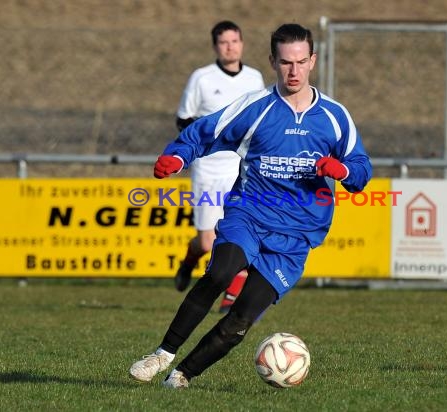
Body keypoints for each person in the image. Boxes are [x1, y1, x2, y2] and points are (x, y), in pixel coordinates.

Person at [129, 23, 372, 389]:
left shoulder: (335, 116)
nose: (294, 71)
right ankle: (162, 354)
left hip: (296, 236)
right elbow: (202, 133)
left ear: (313, 61)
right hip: (250, 215)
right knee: (221, 272)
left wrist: (342, 169)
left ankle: (181, 377)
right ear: (272, 60)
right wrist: (177, 157)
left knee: (241, 318)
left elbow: (361, 170)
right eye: (286, 62)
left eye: (301, 62)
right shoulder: (255, 107)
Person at [173, 21, 265, 315]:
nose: (230, 46)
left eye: (235, 41)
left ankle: (231, 296)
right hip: (208, 169)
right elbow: (183, 120)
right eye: (224, 42)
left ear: (242, 43)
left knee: (241, 231)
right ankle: (189, 261)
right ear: (215, 46)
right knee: (206, 240)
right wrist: (212, 135)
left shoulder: (255, 78)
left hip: (240, 169)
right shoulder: (201, 78)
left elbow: (263, 118)